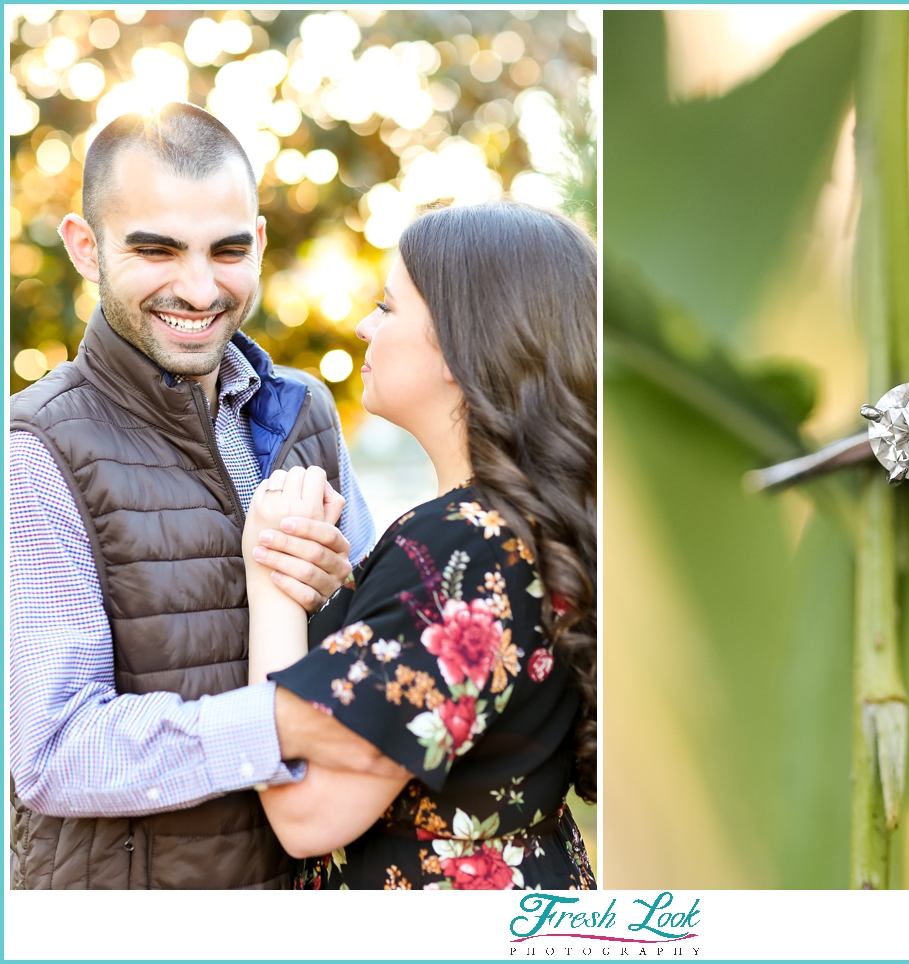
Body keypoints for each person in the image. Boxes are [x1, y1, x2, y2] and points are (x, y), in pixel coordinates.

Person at [8, 103, 389, 890]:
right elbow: (51, 751)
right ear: (87, 248)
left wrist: (338, 589)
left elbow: (374, 640)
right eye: (156, 249)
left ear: (257, 239)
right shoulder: (36, 451)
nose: (199, 287)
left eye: (228, 250)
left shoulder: (306, 412)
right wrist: (273, 722)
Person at [239, 202, 597, 889]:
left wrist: (271, 574)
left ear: (463, 345)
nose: (365, 325)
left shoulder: (463, 548)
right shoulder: (530, 527)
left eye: (388, 306)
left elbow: (305, 813)